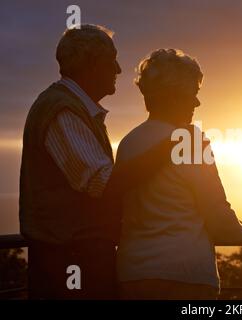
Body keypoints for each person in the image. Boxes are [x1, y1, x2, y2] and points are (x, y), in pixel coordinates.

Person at [19, 25, 175, 299]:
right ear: (90, 64)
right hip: (71, 260)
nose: (117, 69)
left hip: (74, 257)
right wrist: (166, 150)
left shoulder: (71, 108)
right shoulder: (62, 110)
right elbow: (102, 182)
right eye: (111, 60)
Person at [116, 49, 242, 300]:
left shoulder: (128, 143)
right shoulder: (191, 143)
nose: (197, 103)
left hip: (134, 276)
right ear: (174, 96)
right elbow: (217, 215)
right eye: (192, 94)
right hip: (185, 277)